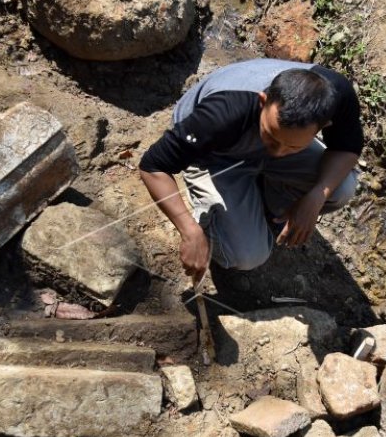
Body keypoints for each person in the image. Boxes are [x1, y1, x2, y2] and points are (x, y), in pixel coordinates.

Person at [139, 58, 363, 282]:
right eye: (271, 136)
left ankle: (266, 204)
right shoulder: (221, 113)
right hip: (214, 153)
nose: (278, 152)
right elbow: (152, 166)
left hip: (251, 136)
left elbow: (347, 149)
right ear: (263, 101)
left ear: (324, 125)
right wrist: (190, 231)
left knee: (340, 189)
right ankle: (220, 213)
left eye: (293, 145)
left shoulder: (335, 94)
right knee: (247, 256)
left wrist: (316, 196)